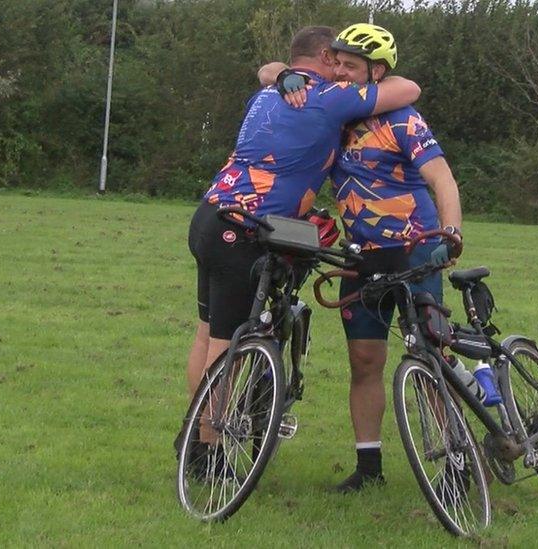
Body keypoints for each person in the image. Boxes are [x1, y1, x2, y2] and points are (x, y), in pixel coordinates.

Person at [179, 26, 423, 464]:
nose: (345, 71)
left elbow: (268, 71)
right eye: (340, 61)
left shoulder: (267, 94)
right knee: (226, 348)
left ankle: (194, 434)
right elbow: (409, 88)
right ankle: (206, 453)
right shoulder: (328, 97)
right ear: (326, 57)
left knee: (206, 334)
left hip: (210, 215)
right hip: (244, 228)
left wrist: (277, 72)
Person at [261, 23, 464, 492]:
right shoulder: (332, 113)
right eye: (338, 65)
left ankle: (456, 460)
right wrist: (282, 76)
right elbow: (274, 69)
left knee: (429, 353)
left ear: (376, 72)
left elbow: (443, 180)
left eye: (351, 67)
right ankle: (368, 467)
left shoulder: (402, 118)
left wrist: (451, 232)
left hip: (414, 249)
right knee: (365, 361)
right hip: (362, 258)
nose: (341, 74)